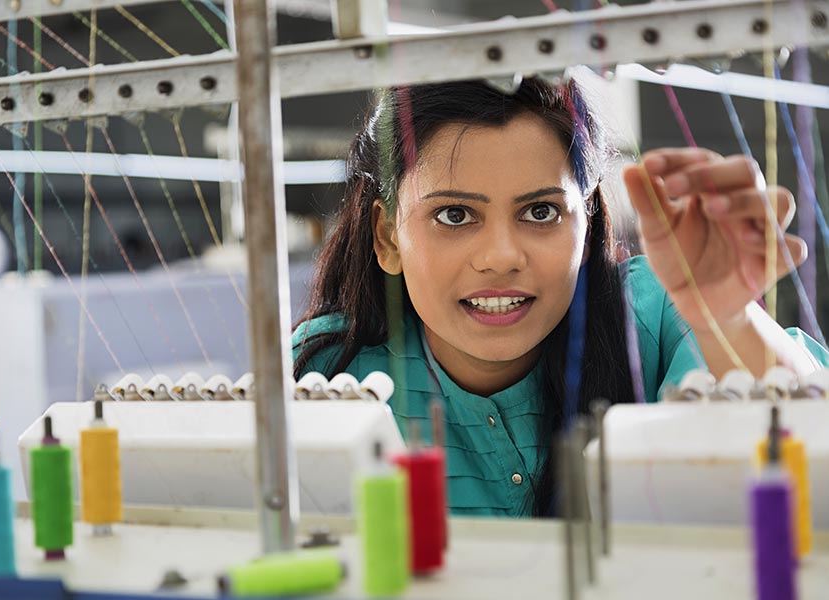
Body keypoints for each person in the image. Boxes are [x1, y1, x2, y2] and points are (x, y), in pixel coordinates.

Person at [291, 76, 828, 517]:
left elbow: (804, 453)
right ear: (388, 239)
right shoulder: (331, 370)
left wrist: (729, 317)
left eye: (540, 212)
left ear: (588, 220)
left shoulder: (659, 309)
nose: (501, 257)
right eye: (454, 215)